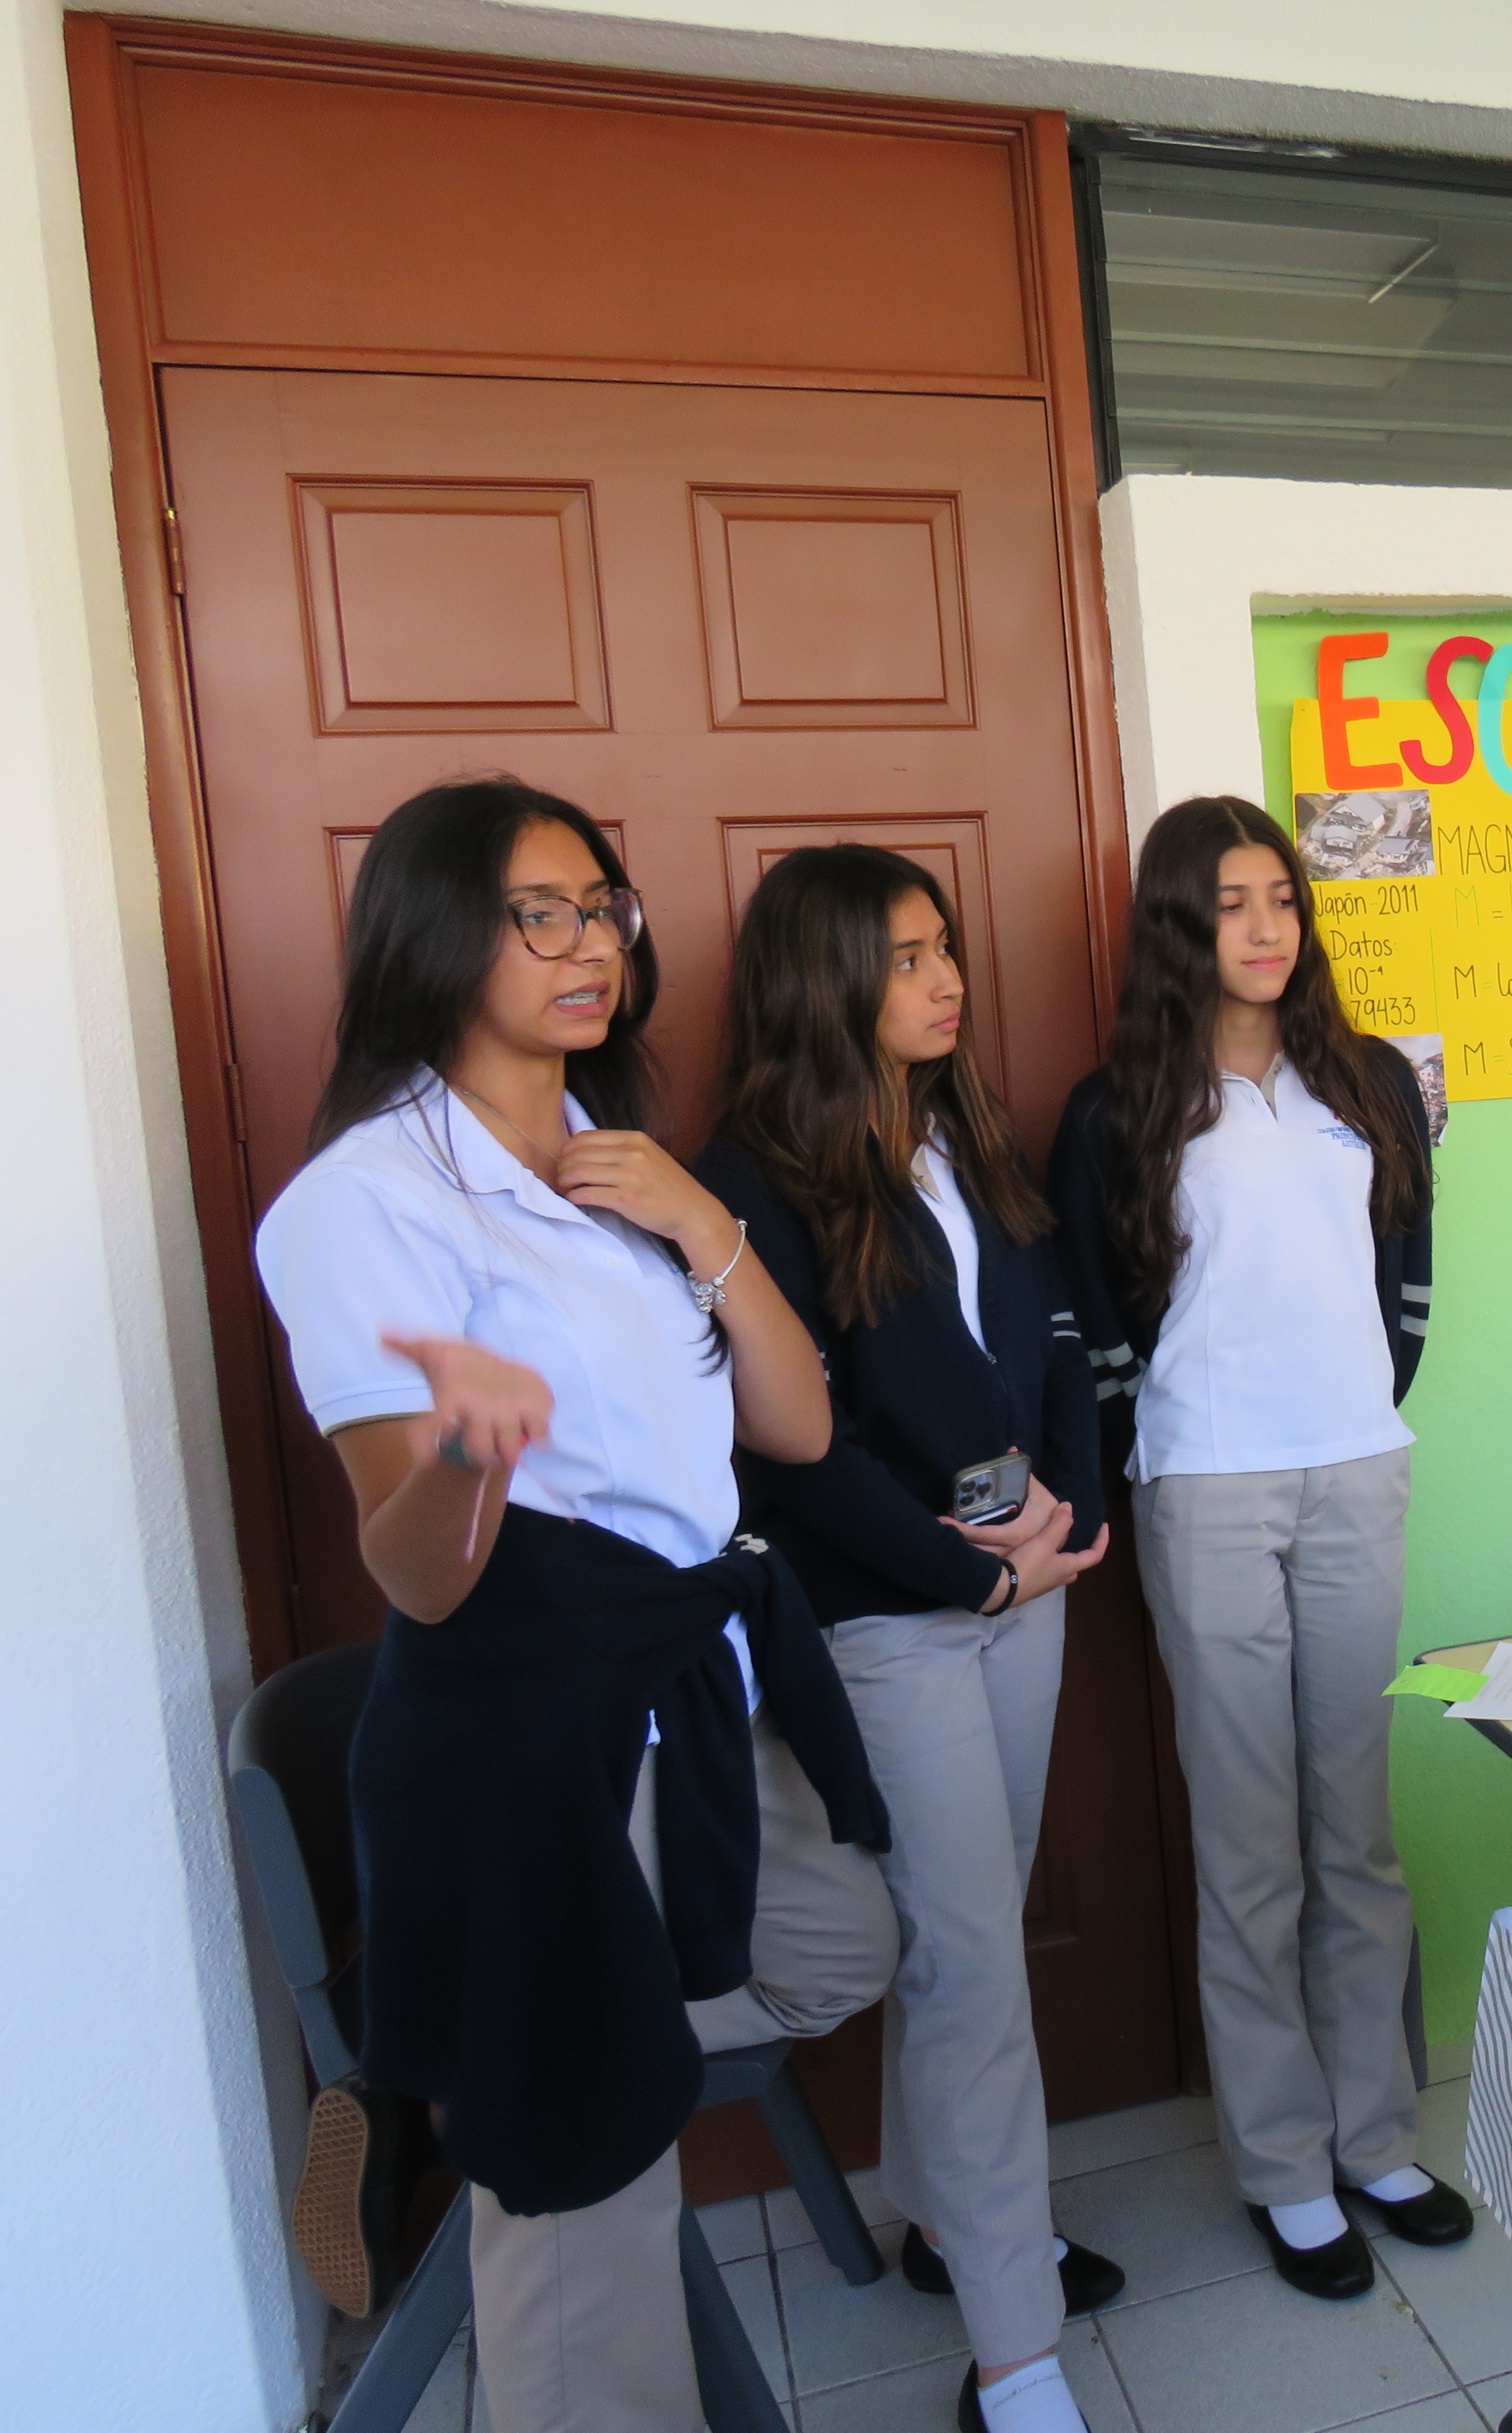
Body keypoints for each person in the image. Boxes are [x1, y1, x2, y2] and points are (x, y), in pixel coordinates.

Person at [253, 779, 899, 2433]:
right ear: (433, 935)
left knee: (842, 1941)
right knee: (583, 2211)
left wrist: (706, 1226)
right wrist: (473, 1447)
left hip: (695, 1683)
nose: (587, 943)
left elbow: (797, 1427)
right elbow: (419, 1573)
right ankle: (504, 2079)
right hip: (528, 1728)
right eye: (536, 913)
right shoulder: (362, 1204)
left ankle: (437, 2065)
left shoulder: (624, 1170)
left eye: (602, 907)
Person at [702, 846, 1121, 2433]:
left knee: (970, 1938)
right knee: (968, 1969)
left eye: (945, 947)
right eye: (906, 957)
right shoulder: (754, 1181)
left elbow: (1061, 1338)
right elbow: (794, 1452)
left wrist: (1070, 1516)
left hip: (1024, 1596)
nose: (948, 979)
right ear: (823, 982)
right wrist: (968, 1576)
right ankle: (1018, 2358)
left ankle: (949, 2222)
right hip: (893, 1621)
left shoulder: (964, 1134)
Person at [1048, 795, 1464, 2301]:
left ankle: (1376, 2139)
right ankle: (1285, 2170)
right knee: (1249, 1849)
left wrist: (1363, 1396)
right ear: (1179, 924)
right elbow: (1097, 1313)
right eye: (1232, 903)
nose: (1268, 927)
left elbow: (1407, 1265)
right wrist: (1143, 1451)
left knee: (1356, 1834)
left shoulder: (1365, 1078)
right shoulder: (1117, 1110)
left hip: (1355, 1470)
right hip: (1208, 1489)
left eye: (1282, 897)